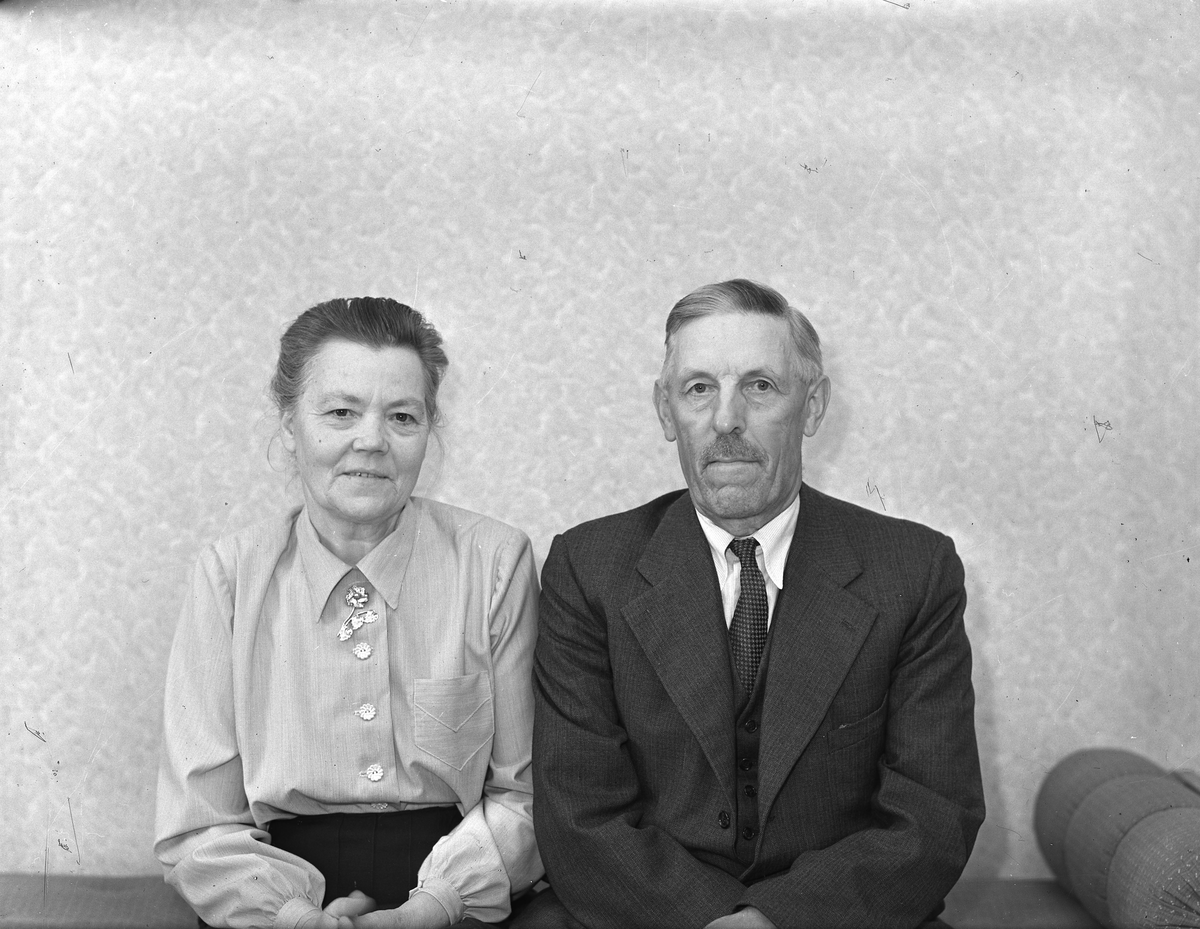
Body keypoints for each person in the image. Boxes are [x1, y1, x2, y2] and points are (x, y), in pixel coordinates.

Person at [521, 280, 984, 929]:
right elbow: (578, 814)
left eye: (760, 386)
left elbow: (934, 816)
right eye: (698, 388)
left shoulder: (914, 569)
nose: (726, 419)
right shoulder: (588, 567)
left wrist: (775, 919)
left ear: (812, 406)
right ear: (665, 411)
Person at [156, 298, 542, 929]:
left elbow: (524, 793)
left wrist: (434, 908)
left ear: (430, 430)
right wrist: (291, 916)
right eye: (341, 412)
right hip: (270, 892)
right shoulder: (228, 578)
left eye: (402, 416)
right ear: (289, 424)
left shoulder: (496, 563)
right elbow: (198, 822)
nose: (372, 440)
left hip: (461, 889)